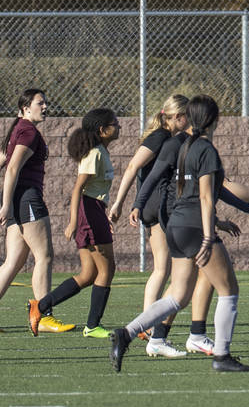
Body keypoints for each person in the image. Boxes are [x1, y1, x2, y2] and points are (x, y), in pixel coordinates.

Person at [110, 95, 249, 372]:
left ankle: (126, 333)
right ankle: (222, 356)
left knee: (177, 296)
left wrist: (138, 204)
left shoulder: (179, 145)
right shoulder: (205, 149)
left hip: (175, 225)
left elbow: (159, 177)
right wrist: (209, 234)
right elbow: (206, 195)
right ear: (214, 120)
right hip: (193, 226)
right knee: (229, 290)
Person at [108, 95, 194, 356]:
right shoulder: (159, 137)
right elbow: (134, 165)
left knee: (164, 268)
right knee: (161, 269)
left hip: (158, 206)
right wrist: (121, 203)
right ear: (178, 117)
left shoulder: (170, 138)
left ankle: (148, 326)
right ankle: (146, 326)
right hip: (155, 207)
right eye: (187, 115)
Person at [29, 108, 119, 338]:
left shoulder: (101, 151)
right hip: (88, 211)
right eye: (114, 123)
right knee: (107, 269)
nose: (118, 126)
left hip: (94, 210)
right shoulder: (95, 153)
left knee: (89, 274)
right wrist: (72, 223)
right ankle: (92, 326)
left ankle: (40, 305)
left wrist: (103, 215)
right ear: (102, 130)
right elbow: (78, 188)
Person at [0, 90, 70, 332]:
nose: (46, 106)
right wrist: (6, 204)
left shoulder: (19, 128)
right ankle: (44, 314)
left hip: (19, 198)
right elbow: (11, 168)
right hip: (26, 198)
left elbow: (3, 159)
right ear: (25, 108)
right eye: (40, 103)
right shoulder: (28, 131)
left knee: (13, 262)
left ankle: (42, 311)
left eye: (45, 102)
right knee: (44, 256)